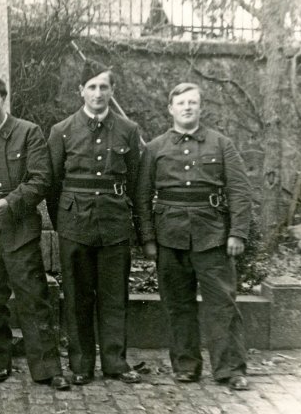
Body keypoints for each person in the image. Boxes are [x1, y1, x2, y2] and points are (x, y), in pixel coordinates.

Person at [135, 82, 251, 391]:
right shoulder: (155, 148)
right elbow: (142, 196)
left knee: (222, 303)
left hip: (213, 234)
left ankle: (230, 369)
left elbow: (240, 191)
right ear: (170, 109)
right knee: (177, 303)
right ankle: (186, 366)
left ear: (201, 108)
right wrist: (147, 238)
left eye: (193, 103)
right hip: (168, 236)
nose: (187, 107)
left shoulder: (221, 144)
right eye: (182, 103)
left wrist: (237, 232)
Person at [0, 74, 69, 390]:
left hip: (19, 230)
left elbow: (40, 179)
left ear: (3, 98)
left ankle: (47, 367)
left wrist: (11, 202)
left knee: (34, 300)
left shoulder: (29, 133)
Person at [46, 61, 142, 385]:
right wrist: (65, 221)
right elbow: (53, 184)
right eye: (92, 87)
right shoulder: (61, 130)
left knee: (115, 294)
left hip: (114, 221)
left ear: (112, 91)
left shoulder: (128, 130)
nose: (98, 93)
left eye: (104, 87)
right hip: (74, 222)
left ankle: (115, 362)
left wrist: (138, 228)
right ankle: (81, 364)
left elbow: (136, 182)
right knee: (76, 297)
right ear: (80, 91)